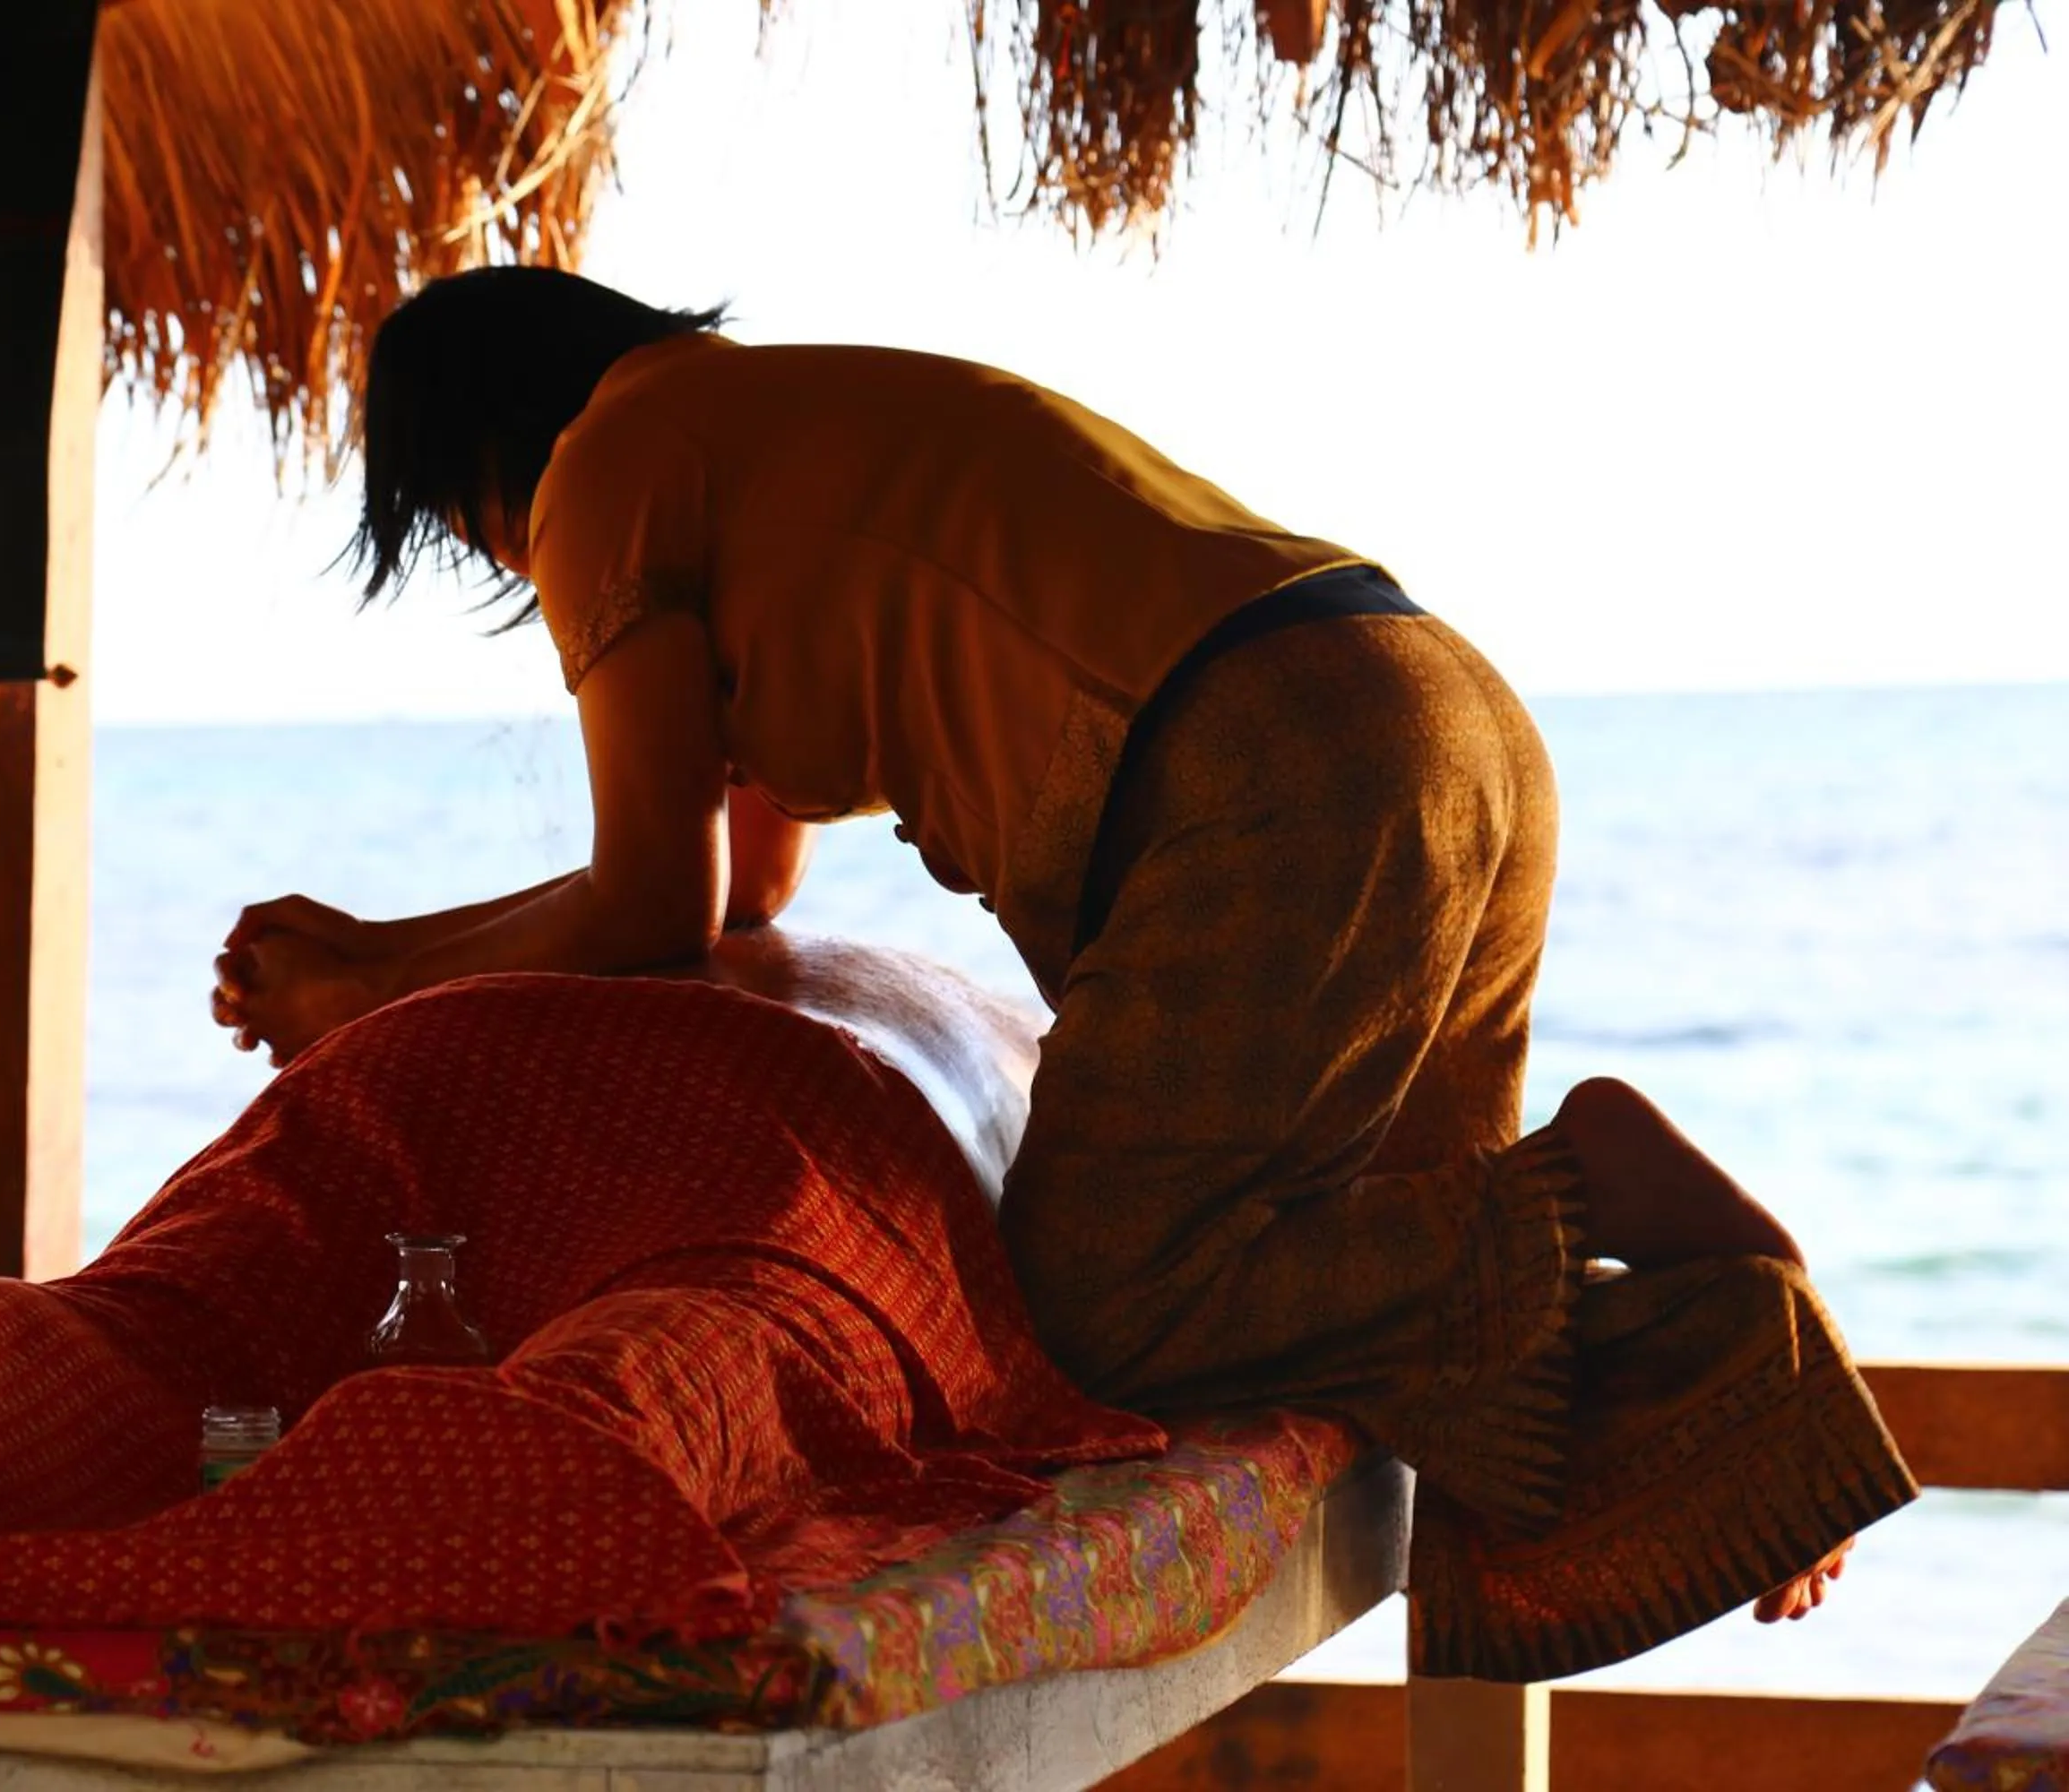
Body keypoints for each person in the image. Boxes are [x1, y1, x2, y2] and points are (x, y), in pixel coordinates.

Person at [210, 267, 1916, 1680]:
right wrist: (370, 962)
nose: (525, 586)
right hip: (1429, 708)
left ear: (473, 463)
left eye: (470, 538)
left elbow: (652, 907)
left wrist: (363, 990)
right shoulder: (775, 436)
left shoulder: (608, 465)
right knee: (1398, 1337)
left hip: (1268, 760)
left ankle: (1586, 1175)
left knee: (1101, 1291)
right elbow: (741, 897)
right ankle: (1743, 1396)